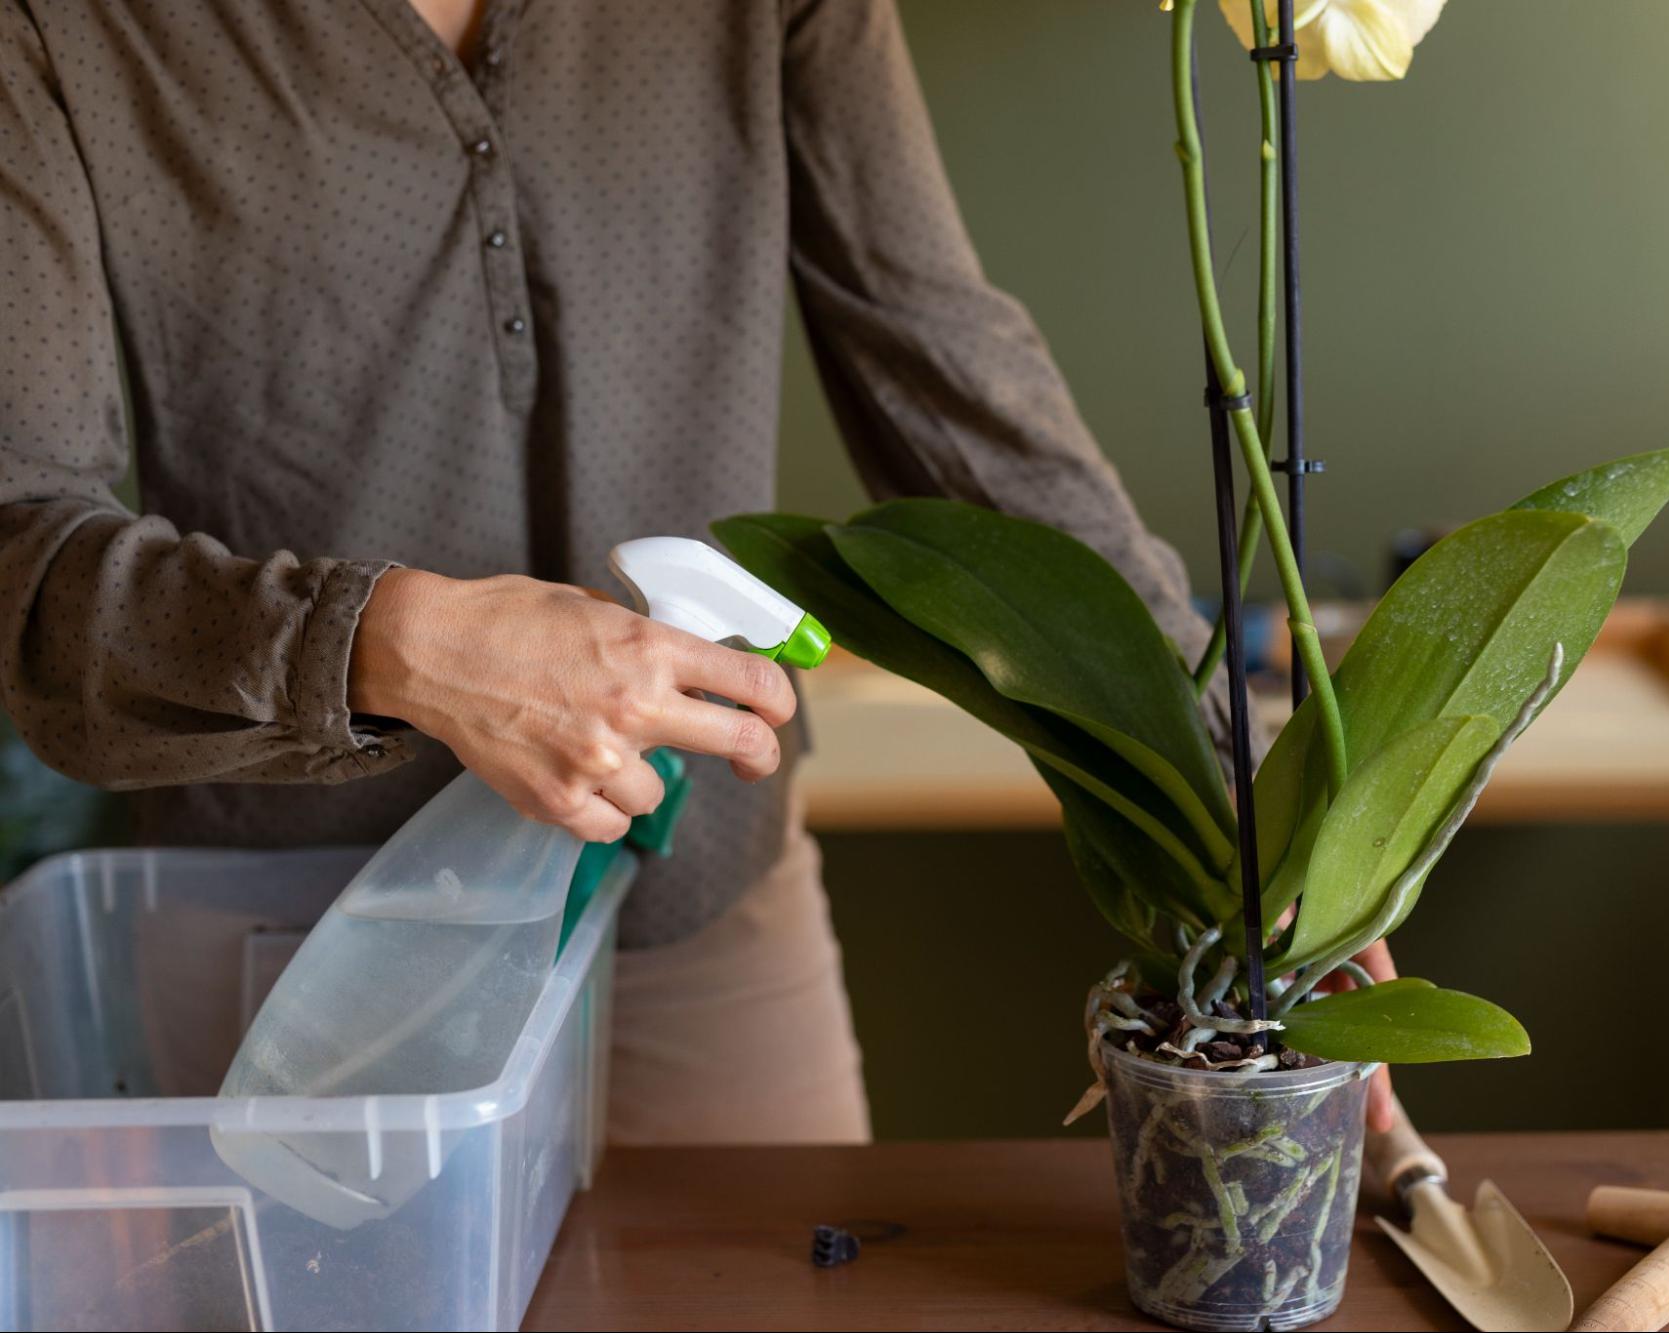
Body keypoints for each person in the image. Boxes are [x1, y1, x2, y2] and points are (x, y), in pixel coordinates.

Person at [0, 0, 1393, 1140]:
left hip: (703, 918)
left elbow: (951, 381)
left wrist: (1245, 811)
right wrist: (393, 645)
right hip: (296, 950)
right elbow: (22, 561)